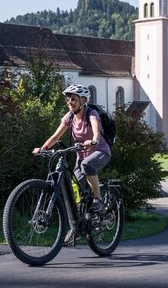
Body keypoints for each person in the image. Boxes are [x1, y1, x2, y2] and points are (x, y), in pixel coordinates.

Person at [32, 84, 111, 243]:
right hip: (80, 157)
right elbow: (55, 136)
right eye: (68, 99)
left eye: (73, 99)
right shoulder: (69, 117)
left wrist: (94, 140)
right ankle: (77, 226)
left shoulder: (91, 113)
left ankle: (98, 199)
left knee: (87, 165)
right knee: (73, 190)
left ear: (83, 100)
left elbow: (96, 128)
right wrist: (43, 148)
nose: (70, 102)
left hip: (100, 152)